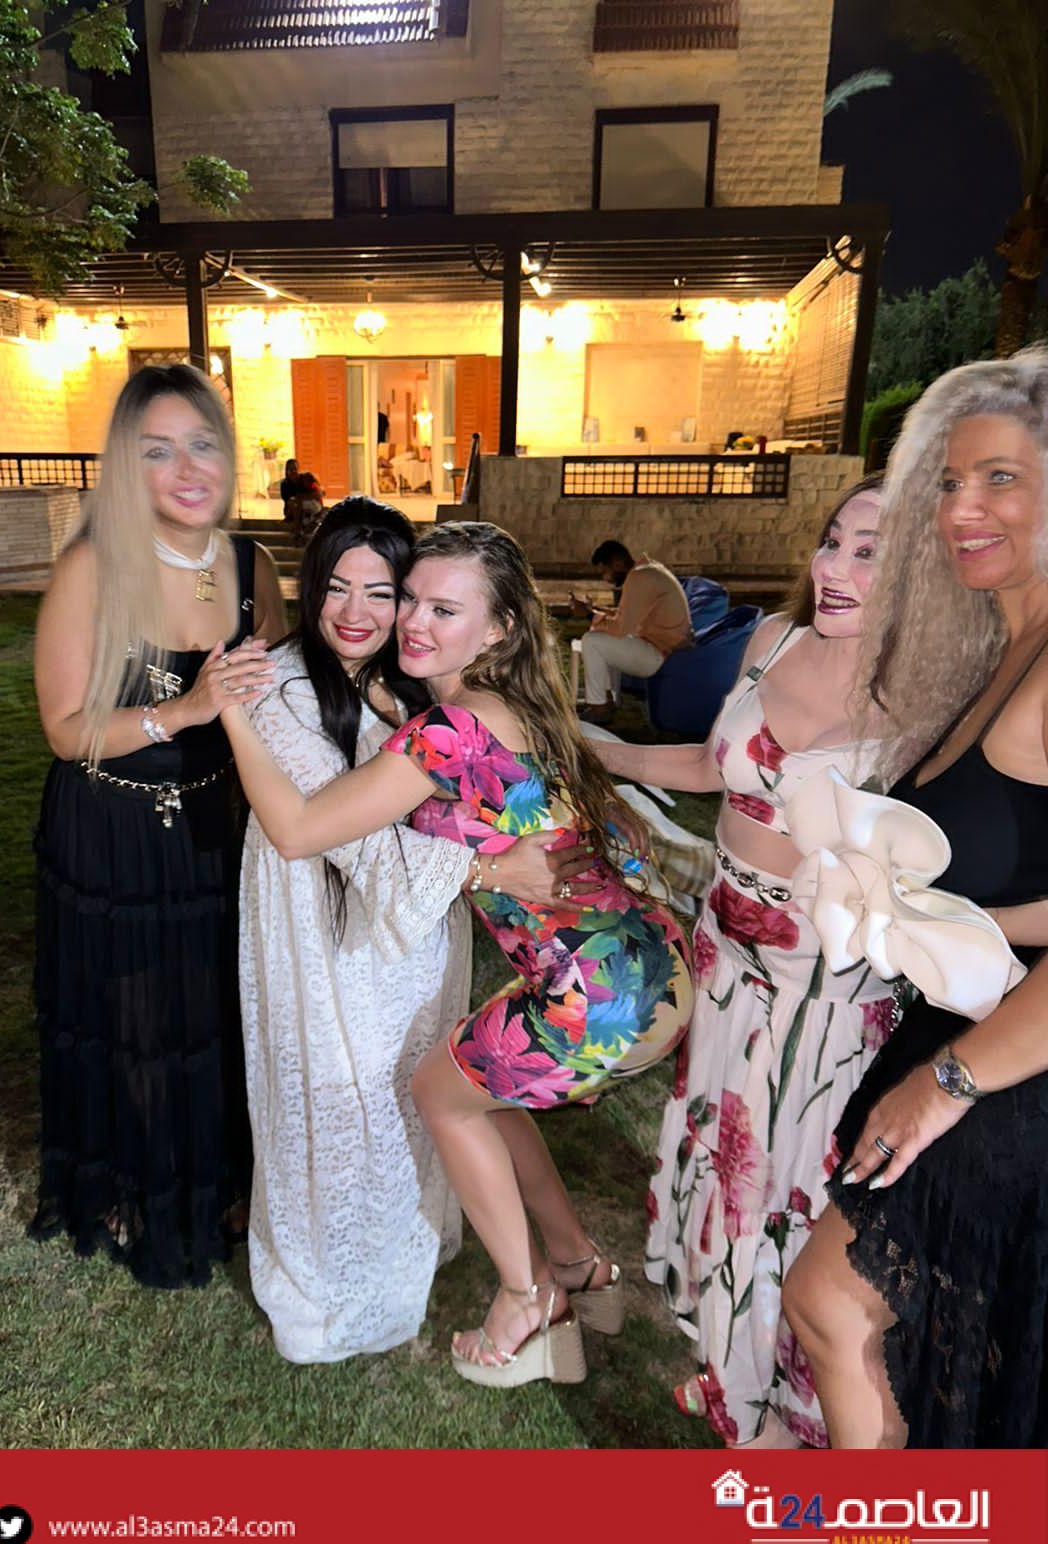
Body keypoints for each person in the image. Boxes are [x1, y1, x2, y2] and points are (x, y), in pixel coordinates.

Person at [220, 521, 693, 1387]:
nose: (412, 622)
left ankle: (526, 1302)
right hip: (653, 970)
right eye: (411, 600)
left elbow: (297, 830)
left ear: (500, 628)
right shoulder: (523, 704)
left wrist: (234, 713)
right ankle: (579, 1265)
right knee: (486, 1093)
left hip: (592, 997)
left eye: (444, 610)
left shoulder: (446, 733)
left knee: (439, 1093)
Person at [591, 475, 897, 1447]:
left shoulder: (935, 692)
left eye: (870, 552)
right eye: (833, 540)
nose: (835, 567)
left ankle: (783, 1402)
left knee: (783, 1186)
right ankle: (730, 1363)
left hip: (824, 989)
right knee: (722, 1164)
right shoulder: (773, 641)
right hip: (725, 950)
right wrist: (606, 754)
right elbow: (711, 765)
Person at [783, 349, 1048, 1449]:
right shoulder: (1008, 642)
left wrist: (947, 1085)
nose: (959, 510)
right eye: (946, 483)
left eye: (999, 478)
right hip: (973, 1030)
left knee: (835, 1303)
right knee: (894, 1338)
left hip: (1011, 1069)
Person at [29, 362, 285, 1288]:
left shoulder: (254, 568)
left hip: (220, 825)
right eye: (157, 451)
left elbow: (277, 704)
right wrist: (184, 711)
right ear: (124, 466)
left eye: (202, 444)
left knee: (218, 1011)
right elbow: (65, 730)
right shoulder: (92, 567)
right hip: (115, 831)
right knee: (135, 1021)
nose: (187, 469)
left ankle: (219, 1181)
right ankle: (139, 1189)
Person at [575, 541, 692, 723]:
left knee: (592, 640)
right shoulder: (646, 571)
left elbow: (621, 628)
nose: (606, 579)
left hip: (661, 654)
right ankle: (607, 700)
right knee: (602, 636)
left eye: (604, 572)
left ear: (617, 564)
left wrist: (589, 615)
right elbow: (626, 616)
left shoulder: (639, 578)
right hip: (661, 647)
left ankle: (599, 708)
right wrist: (594, 611)